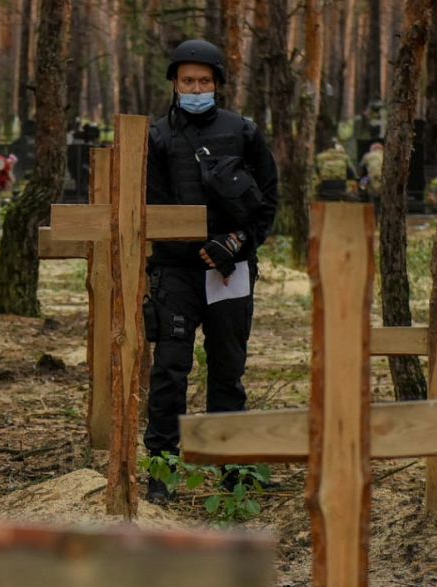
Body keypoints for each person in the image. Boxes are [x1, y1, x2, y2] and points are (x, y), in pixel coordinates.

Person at [142, 38, 279, 504]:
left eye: (203, 81)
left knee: (227, 372)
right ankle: (162, 469)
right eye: (187, 81)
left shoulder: (243, 132)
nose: (195, 88)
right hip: (175, 273)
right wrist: (182, 248)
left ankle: (232, 470)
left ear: (217, 83)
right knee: (169, 371)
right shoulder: (158, 137)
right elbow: (151, 209)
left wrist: (235, 243)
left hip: (230, 271)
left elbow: (268, 204)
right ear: (175, 84)